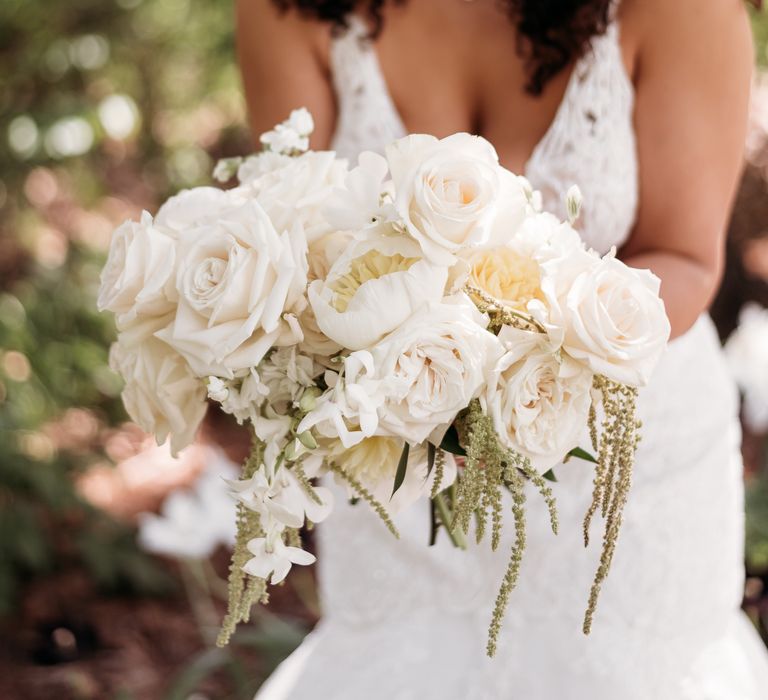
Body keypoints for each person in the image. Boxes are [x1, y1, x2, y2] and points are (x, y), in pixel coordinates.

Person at [236, 0, 768, 696]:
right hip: (398, 464)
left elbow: (683, 256)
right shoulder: (292, 9)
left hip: (624, 472)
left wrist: (502, 362)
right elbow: (296, 239)